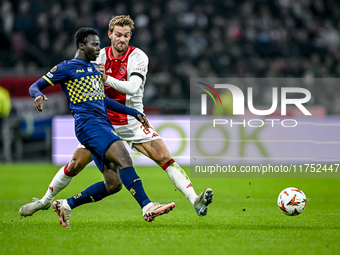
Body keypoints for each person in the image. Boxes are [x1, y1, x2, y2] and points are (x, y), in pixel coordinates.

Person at [20, 15, 213, 220]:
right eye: (118, 35)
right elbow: (89, 91)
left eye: (126, 35)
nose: (122, 39)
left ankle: (195, 200)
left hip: (131, 121)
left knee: (163, 158)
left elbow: (132, 87)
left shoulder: (138, 57)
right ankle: (45, 201)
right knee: (77, 165)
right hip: (103, 121)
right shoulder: (96, 56)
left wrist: (111, 84)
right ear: (110, 34)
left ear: (131, 36)